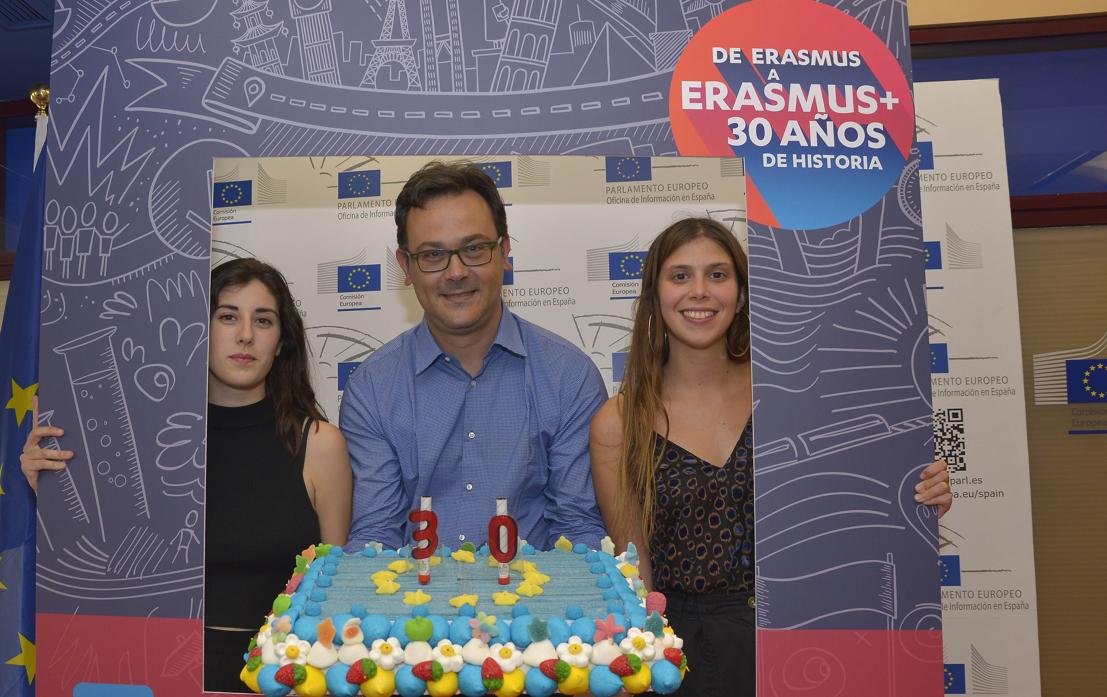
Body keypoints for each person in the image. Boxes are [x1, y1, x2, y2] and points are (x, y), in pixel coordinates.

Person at [589, 218, 952, 697]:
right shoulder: (619, 423)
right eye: (680, 276)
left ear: (740, 295)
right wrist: (650, 660)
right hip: (678, 654)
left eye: (717, 275)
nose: (699, 291)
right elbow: (636, 577)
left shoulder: (794, 397)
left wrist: (919, 494)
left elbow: (857, 516)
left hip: (806, 632)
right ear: (654, 297)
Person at [21, 258, 353, 693]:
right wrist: (48, 489)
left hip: (280, 679)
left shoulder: (321, 445)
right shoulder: (136, 444)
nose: (246, 335)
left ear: (282, 342)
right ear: (198, 327)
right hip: (148, 674)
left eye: (264, 320)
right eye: (227, 316)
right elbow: (93, 566)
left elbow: (332, 596)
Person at [339, 161, 607, 551]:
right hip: (412, 608)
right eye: (433, 255)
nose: (456, 271)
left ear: (505, 251)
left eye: (474, 248)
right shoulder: (372, 388)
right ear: (406, 266)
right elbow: (375, 536)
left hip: (537, 607)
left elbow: (578, 530)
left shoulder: (570, 377)